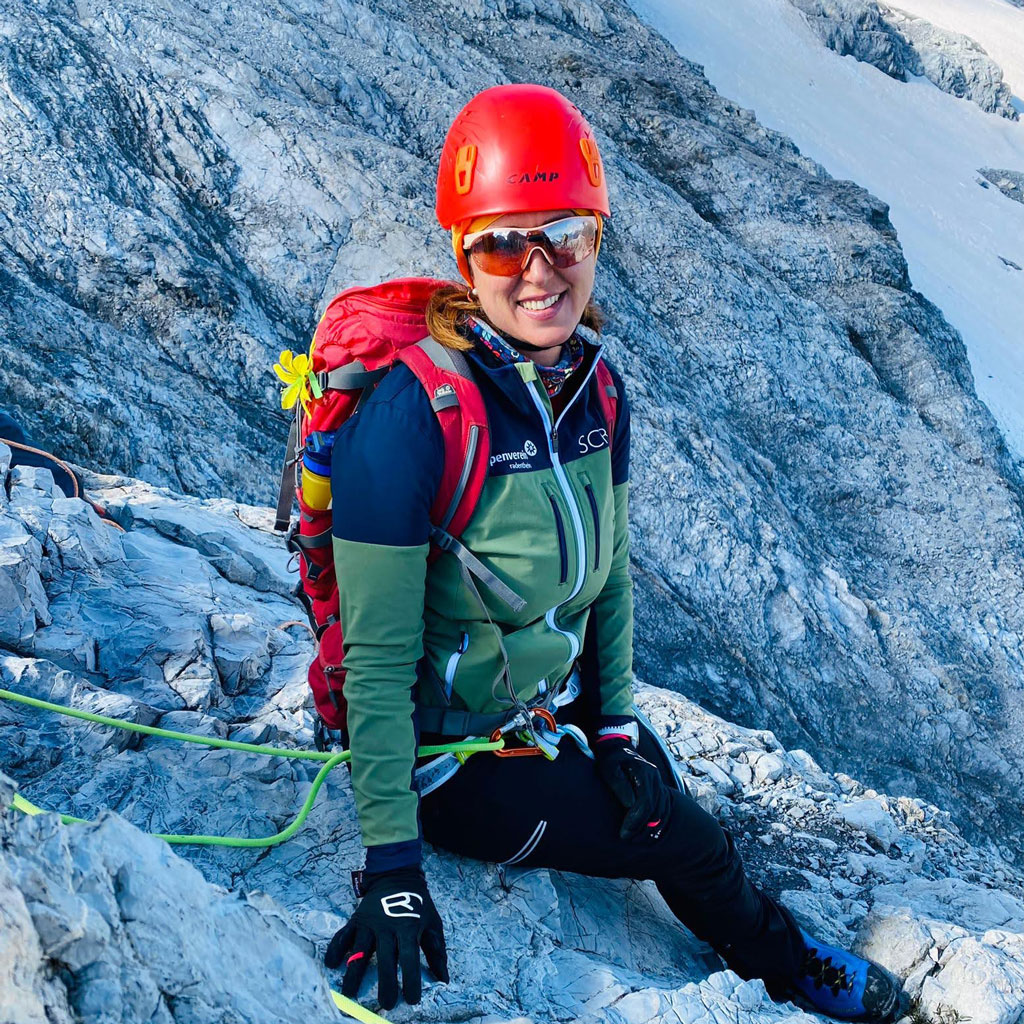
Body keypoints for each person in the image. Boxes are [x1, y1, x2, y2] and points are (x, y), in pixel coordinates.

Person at [322, 83, 907, 1023]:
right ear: (463, 252)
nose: (541, 268)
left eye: (568, 234)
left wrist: (617, 728)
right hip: (450, 762)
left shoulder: (593, 391)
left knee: (662, 799)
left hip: (542, 714)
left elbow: (611, 582)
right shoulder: (411, 420)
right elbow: (377, 663)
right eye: (507, 239)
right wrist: (391, 867)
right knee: (682, 838)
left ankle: (744, 922)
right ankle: (788, 965)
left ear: (598, 237)